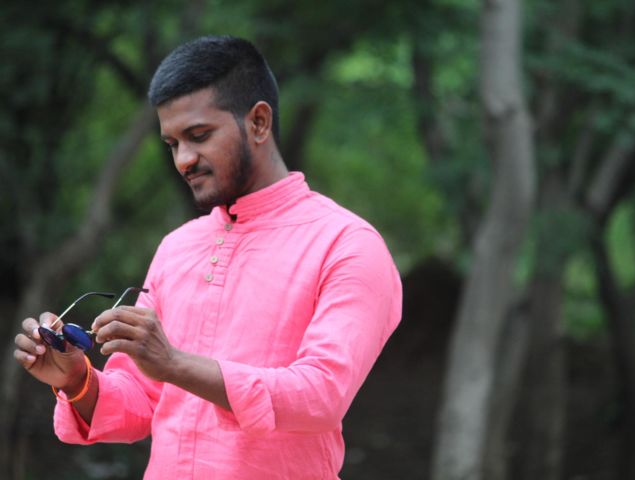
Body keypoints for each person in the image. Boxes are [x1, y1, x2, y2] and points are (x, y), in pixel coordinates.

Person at [14, 35, 402, 479]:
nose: (184, 160)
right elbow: (143, 399)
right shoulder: (177, 247)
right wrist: (76, 380)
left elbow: (321, 396)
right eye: (172, 143)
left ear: (258, 123)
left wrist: (175, 364)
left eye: (199, 136)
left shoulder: (346, 244)